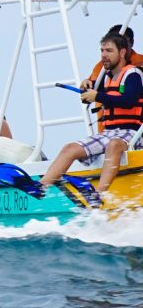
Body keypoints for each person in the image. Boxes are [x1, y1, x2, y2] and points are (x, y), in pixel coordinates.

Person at [39, 32, 143, 195]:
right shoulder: (107, 78)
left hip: (131, 133)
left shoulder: (133, 75)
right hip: (109, 133)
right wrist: (88, 88)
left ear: (122, 52)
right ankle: (40, 188)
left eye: (109, 51)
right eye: (102, 51)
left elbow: (128, 100)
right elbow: (96, 93)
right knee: (70, 148)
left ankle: (99, 194)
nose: (103, 55)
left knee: (114, 145)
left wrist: (97, 96)